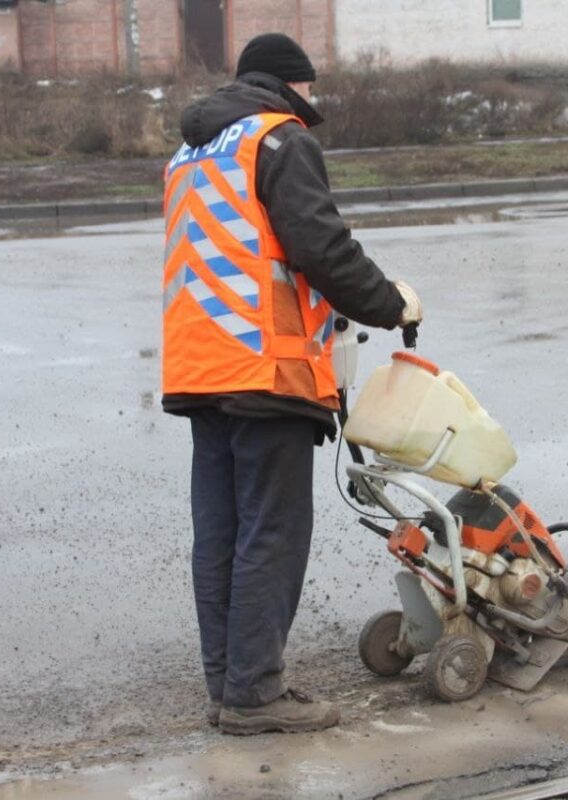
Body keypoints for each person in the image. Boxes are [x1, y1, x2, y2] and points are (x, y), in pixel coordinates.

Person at [160, 32, 422, 735]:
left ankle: (229, 686)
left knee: (220, 533)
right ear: (290, 85)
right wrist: (392, 304)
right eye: (310, 94)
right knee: (271, 534)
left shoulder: (192, 153)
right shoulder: (280, 140)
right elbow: (321, 248)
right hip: (265, 369)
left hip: (199, 368)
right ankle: (254, 695)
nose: (312, 108)